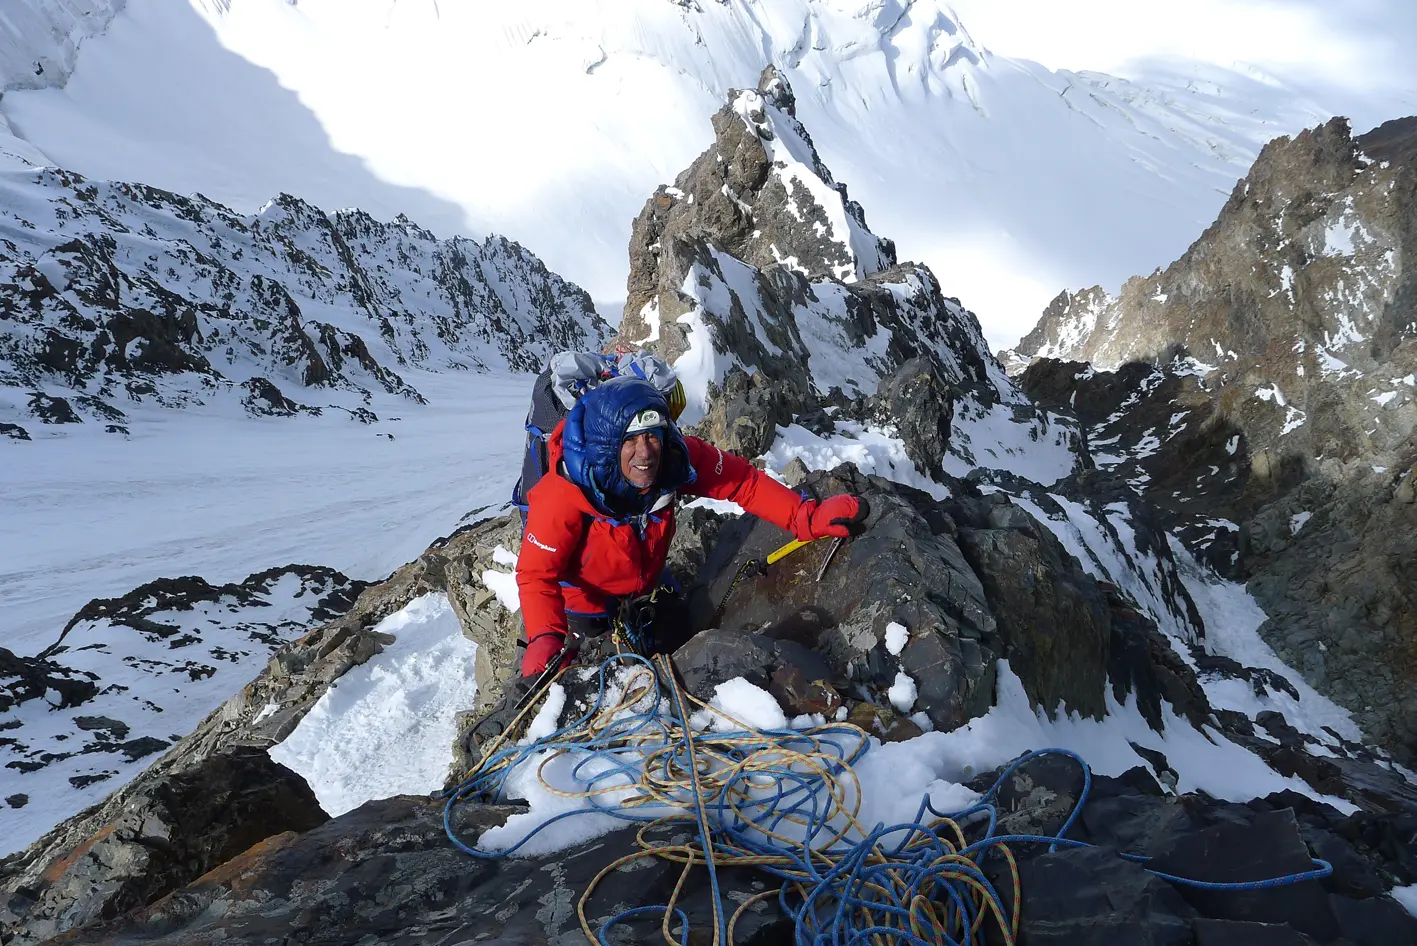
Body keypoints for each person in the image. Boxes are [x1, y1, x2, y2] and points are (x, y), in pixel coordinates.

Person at [473, 374, 868, 746]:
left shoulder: (674, 461)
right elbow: (537, 575)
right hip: (585, 613)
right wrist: (546, 639)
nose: (645, 453)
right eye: (630, 440)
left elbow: (741, 482)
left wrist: (805, 517)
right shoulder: (565, 493)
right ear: (608, 443)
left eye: (652, 437)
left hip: (649, 592)